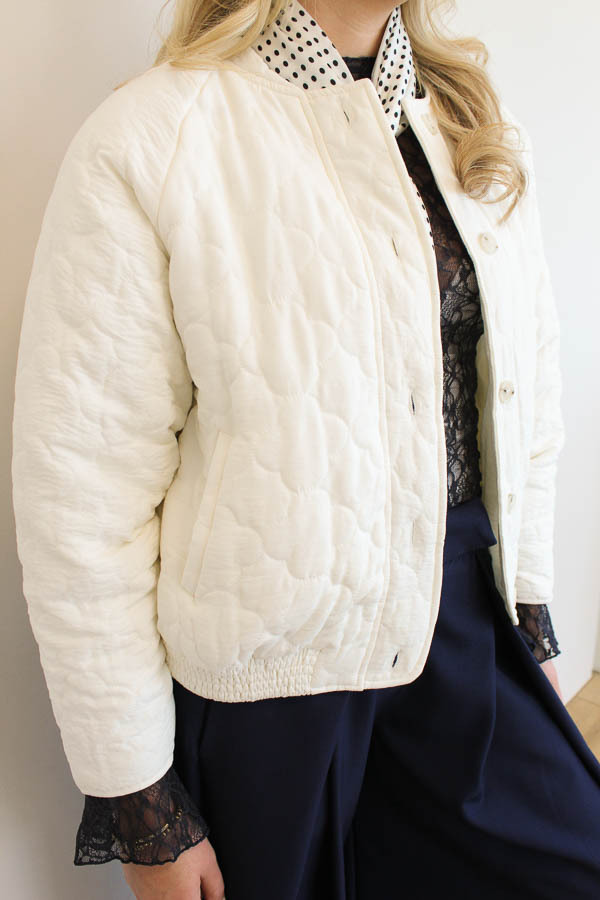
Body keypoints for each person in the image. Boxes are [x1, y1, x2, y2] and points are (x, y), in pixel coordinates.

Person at [11, 0, 600, 898]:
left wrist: (530, 614)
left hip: (464, 637)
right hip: (269, 699)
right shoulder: (154, 137)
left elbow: (529, 397)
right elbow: (81, 498)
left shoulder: (470, 119)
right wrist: (138, 802)